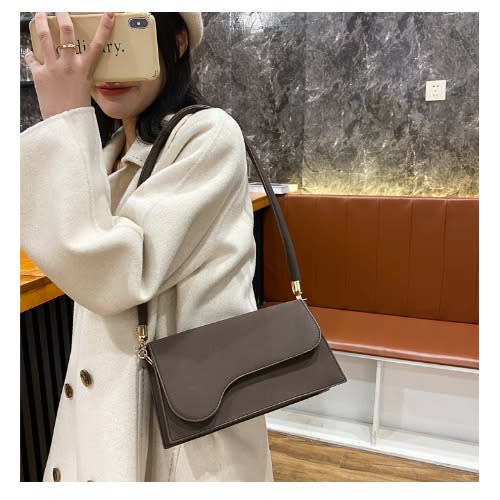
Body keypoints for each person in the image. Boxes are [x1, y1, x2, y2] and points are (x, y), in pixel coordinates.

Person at [21, 12, 274, 482]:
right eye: (91, 43)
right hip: (116, 417)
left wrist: (61, 122)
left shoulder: (207, 135)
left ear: (176, 43)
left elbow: (118, 273)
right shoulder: (108, 153)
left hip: (187, 425)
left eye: (123, 38)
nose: (107, 62)